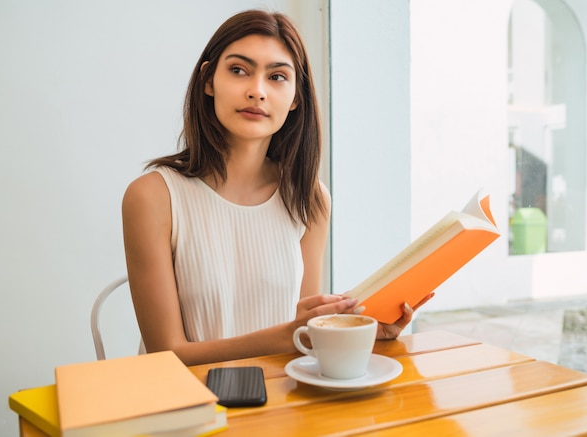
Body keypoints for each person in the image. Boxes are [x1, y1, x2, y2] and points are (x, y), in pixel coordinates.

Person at [122, 9, 432, 366]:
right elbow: (167, 354)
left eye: (277, 77)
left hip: (278, 402)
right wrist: (287, 335)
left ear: (296, 97)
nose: (257, 91)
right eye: (239, 70)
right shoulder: (152, 197)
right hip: (188, 408)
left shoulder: (309, 197)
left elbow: (306, 333)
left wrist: (357, 330)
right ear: (208, 80)